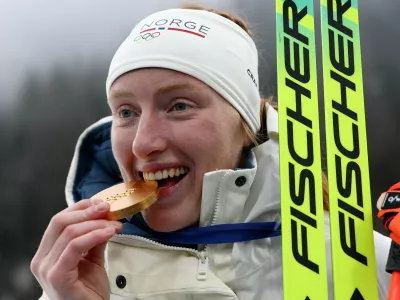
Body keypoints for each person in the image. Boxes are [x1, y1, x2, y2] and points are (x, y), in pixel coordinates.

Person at [31, 5, 392, 299]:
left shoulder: (364, 264)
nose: (143, 143)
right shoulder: (79, 276)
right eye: (126, 112)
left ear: (246, 124)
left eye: (179, 106)